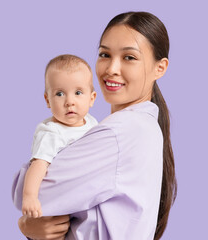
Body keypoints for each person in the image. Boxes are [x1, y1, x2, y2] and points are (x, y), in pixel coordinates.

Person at [12, 11, 177, 240]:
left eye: (129, 57)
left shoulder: (121, 133)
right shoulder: (136, 127)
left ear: (160, 67)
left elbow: (29, 195)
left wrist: (26, 223)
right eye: (104, 54)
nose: (111, 69)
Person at [22, 54, 97, 219]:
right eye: (60, 94)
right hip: (62, 199)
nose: (70, 101)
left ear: (91, 98)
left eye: (78, 92)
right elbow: (38, 166)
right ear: (47, 100)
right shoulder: (52, 133)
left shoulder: (92, 123)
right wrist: (30, 196)